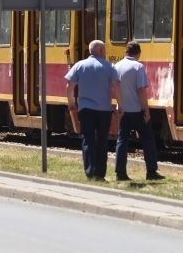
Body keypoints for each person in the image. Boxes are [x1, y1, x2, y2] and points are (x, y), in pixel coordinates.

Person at [65, 40, 122, 181]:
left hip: (85, 110)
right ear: (102, 51)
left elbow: (69, 86)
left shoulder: (79, 65)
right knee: (102, 141)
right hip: (104, 110)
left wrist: (72, 103)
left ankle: (90, 171)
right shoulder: (109, 67)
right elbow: (117, 86)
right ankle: (100, 174)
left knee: (88, 140)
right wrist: (120, 106)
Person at [114, 41, 165, 181]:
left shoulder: (117, 66)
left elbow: (115, 88)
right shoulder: (138, 67)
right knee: (147, 139)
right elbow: (141, 90)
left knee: (122, 140)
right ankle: (151, 171)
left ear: (126, 52)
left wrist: (119, 106)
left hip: (123, 110)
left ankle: (120, 172)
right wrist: (146, 110)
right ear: (138, 53)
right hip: (137, 110)